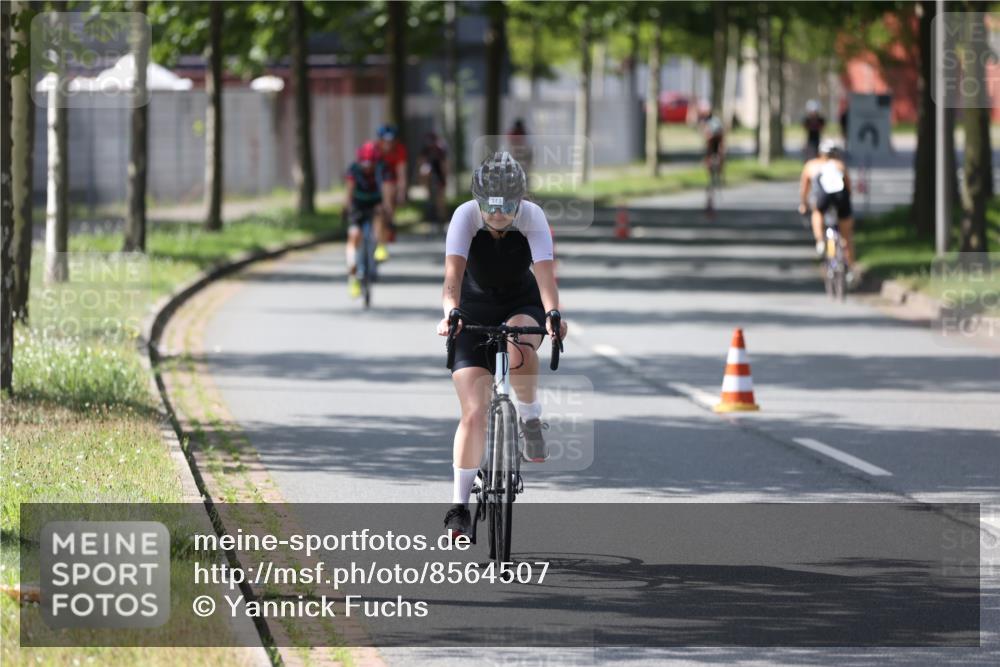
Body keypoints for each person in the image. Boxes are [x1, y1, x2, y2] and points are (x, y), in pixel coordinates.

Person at [436, 152, 567, 539]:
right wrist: (450, 312)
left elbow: (545, 278)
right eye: (490, 206)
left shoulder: (532, 217)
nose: (497, 214)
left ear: (519, 201)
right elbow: (451, 278)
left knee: (522, 338)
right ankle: (459, 508)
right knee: (473, 412)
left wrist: (554, 315)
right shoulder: (464, 217)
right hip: (473, 305)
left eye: (506, 206)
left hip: (519, 302)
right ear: (478, 200)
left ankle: (529, 416)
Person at [799, 139, 855, 282]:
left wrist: (804, 204)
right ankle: (849, 269)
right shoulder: (839, 165)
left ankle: (820, 241)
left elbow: (804, 189)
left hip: (822, 197)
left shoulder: (811, 165)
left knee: (817, 212)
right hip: (841, 197)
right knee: (846, 237)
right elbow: (848, 187)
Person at [344, 141, 394, 298]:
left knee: (380, 216)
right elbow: (349, 192)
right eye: (364, 163)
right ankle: (353, 275)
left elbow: (387, 193)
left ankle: (380, 246)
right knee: (354, 236)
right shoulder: (353, 170)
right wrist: (346, 208)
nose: (367, 166)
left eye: (370, 163)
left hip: (375, 203)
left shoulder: (382, 169)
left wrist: (387, 208)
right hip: (358, 205)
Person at [375, 124, 407, 261]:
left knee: (389, 186)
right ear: (380, 140)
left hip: (391, 182)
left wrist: (401, 193)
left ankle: (389, 219)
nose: (388, 144)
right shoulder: (373, 150)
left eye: (391, 141)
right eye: (385, 141)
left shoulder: (399, 150)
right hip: (374, 180)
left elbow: (401, 174)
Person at [419, 131, 449, 230]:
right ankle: (432, 220)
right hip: (429, 176)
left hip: (438, 174)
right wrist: (423, 183)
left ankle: (443, 221)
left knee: (440, 200)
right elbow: (421, 164)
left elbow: (444, 165)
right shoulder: (425, 150)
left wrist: (444, 180)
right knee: (430, 199)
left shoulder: (440, 150)